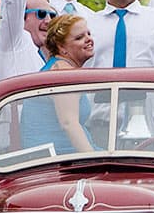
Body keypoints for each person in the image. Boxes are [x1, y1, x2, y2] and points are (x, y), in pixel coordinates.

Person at [20, 14, 97, 155]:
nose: (89, 39)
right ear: (62, 47)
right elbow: (69, 123)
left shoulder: (55, 66)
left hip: (56, 156)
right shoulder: (64, 72)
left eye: (89, 34)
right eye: (79, 37)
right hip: (60, 160)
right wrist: (96, 161)